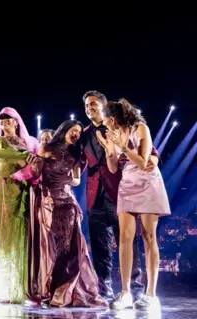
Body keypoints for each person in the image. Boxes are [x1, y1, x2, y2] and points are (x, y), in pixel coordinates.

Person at [13, 120, 106, 307]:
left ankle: (69, 288)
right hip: (49, 199)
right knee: (52, 246)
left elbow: (78, 179)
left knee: (71, 244)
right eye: (74, 130)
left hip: (67, 199)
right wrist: (33, 162)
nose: (77, 134)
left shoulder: (76, 153)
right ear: (64, 129)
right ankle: (51, 287)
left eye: (79, 132)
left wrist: (72, 180)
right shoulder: (46, 147)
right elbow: (36, 173)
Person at [81, 90, 159, 301]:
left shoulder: (124, 128)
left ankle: (135, 288)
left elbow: (149, 151)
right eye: (87, 106)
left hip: (120, 190)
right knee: (99, 244)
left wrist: (154, 157)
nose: (89, 109)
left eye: (93, 104)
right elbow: (78, 159)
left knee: (128, 239)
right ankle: (104, 288)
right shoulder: (84, 133)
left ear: (105, 108)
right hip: (95, 193)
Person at [98, 99, 171, 310]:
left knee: (148, 236)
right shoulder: (111, 135)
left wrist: (122, 147)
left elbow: (142, 161)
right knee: (125, 237)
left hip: (148, 182)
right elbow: (113, 169)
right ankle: (126, 292)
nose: (104, 125)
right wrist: (108, 150)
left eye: (105, 120)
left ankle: (151, 294)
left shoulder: (140, 128)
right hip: (128, 183)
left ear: (112, 119)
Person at [0, 107, 37, 304]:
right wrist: (24, 154)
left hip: (22, 191)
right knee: (2, 239)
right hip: (2, 190)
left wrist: (29, 157)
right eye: (2, 120)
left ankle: (22, 288)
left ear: (17, 122)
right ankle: (4, 289)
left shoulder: (29, 141)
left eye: (8, 119)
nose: (5, 123)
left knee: (22, 238)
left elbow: (34, 166)